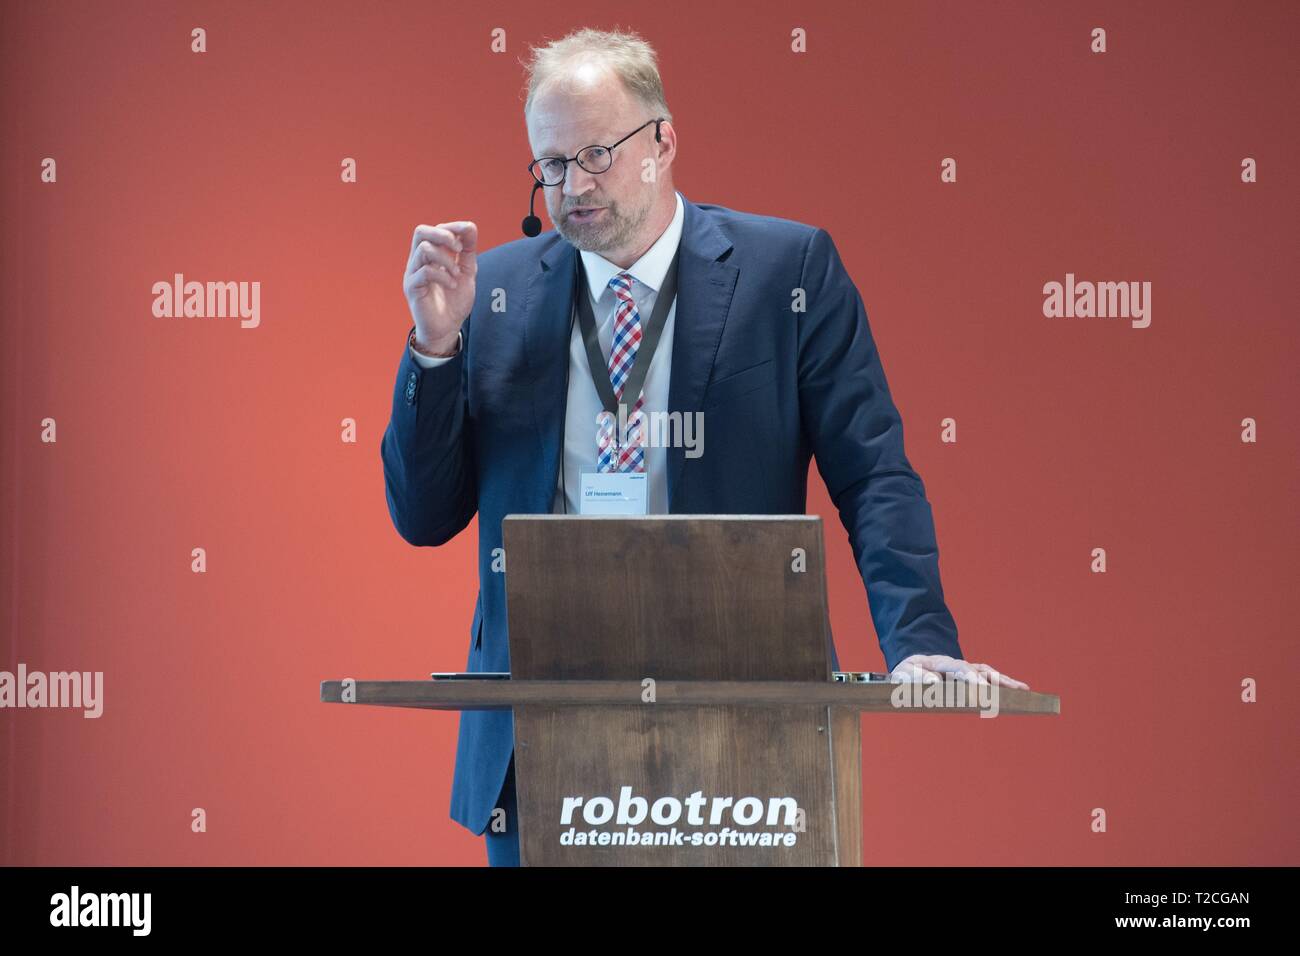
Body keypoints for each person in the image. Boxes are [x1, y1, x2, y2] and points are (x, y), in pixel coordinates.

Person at [381, 27, 1027, 868]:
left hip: (746, 729)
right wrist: (435, 348)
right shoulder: (493, 292)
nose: (573, 185)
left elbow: (873, 476)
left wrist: (921, 643)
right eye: (551, 164)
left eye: (598, 153)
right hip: (541, 738)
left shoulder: (785, 271)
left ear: (663, 140)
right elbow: (425, 517)